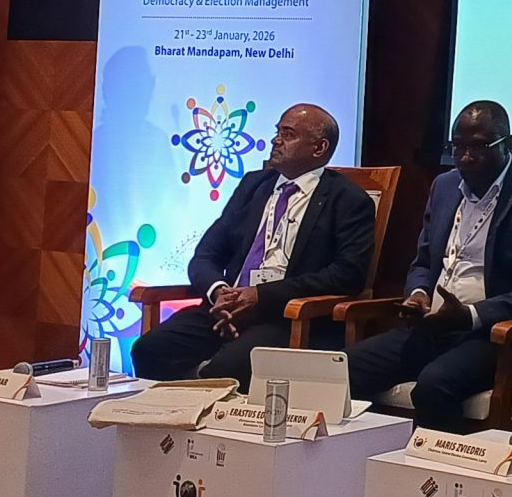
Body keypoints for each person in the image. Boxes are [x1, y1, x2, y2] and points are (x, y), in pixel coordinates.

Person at [346, 101, 512, 431]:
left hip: (492, 335)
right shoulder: (444, 186)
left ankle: (433, 465)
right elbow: (424, 261)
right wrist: (418, 293)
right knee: (344, 368)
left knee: (434, 386)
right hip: (431, 326)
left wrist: (471, 315)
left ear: (508, 144)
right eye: (458, 147)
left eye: (479, 146)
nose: (467, 156)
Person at [131, 103, 374, 385]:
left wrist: (260, 296)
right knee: (149, 349)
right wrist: (219, 292)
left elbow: (347, 274)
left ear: (319, 148)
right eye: (277, 132)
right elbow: (206, 255)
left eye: (288, 134)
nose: (276, 140)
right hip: (224, 309)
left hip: (285, 316)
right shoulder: (254, 185)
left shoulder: (348, 200)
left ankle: (199, 400)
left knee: (226, 369)